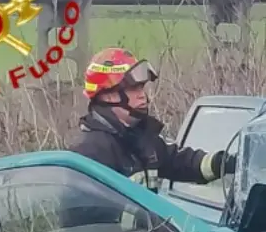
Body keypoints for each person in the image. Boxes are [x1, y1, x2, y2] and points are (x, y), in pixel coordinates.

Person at [71, 47, 235, 190]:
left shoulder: (140, 139)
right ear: (109, 96)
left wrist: (226, 163)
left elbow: (182, 162)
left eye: (142, 87)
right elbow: (87, 217)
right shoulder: (91, 151)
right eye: (134, 89)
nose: (143, 95)